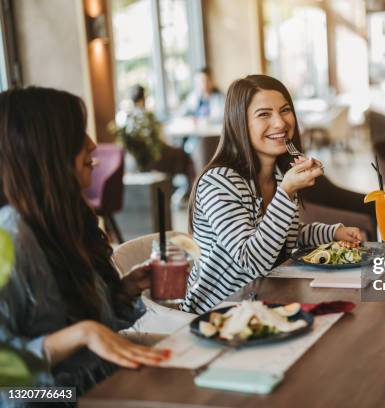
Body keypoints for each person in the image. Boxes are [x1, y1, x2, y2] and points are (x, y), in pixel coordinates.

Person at [0, 87, 170, 396]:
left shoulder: (65, 219)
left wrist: (125, 289)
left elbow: (92, 322)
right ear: (45, 149)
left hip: (105, 388)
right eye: (77, 135)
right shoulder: (9, 239)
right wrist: (82, 334)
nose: (92, 145)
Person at [182, 75, 362, 313]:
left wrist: (332, 232)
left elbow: (281, 237)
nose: (280, 123)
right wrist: (286, 192)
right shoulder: (219, 182)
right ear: (240, 123)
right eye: (264, 114)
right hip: (220, 311)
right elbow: (252, 260)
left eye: (285, 110)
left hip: (268, 299)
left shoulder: (279, 173)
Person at [130, 85, 196, 196]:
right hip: (155, 158)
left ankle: (175, 189)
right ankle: (192, 193)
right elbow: (158, 140)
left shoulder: (130, 117)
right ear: (143, 98)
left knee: (177, 153)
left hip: (144, 160)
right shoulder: (146, 116)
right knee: (184, 155)